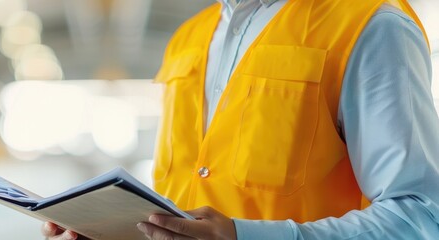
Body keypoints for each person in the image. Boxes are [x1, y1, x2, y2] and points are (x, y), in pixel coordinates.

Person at [44, 0, 439, 239]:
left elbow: (422, 215)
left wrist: (246, 237)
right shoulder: (188, 38)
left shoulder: (369, 26)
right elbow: (187, 199)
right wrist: (111, 232)